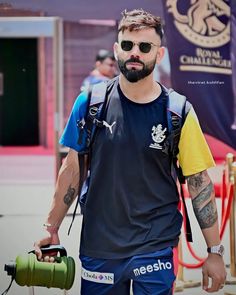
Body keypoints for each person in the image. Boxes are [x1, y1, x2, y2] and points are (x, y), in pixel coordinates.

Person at [34, 8, 226, 294]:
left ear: (159, 55)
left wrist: (214, 251)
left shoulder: (178, 111)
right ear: (117, 50)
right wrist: (51, 227)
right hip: (101, 246)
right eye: (127, 45)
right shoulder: (89, 103)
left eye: (144, 46)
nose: (135, 52)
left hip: (156, 248)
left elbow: (199, 183)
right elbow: (71, 170)